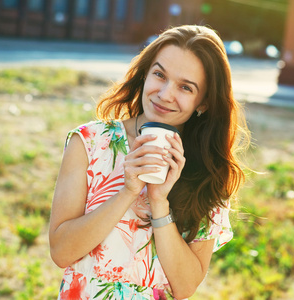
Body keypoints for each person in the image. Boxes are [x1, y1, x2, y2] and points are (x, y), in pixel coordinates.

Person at [49, 25, 250, 300]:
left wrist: (159, 202)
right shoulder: (91, 142)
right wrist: (128, 191)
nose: (165, 93)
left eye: (185, 87)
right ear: (145, 74)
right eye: (159, 75)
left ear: (203, 103)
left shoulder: (209, 172)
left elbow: (186, 286)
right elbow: (61, 252)